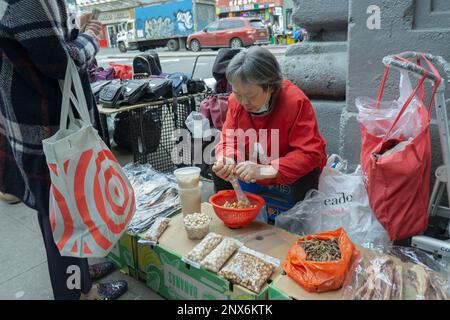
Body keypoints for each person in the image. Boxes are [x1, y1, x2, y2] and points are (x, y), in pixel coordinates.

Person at [0, 0, 127, 300]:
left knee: (68, 208)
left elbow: (40, 47)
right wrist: (90, 38)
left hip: (40, 127)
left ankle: (79, 275)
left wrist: (72, 29)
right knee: (62, 217)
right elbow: (59, 63)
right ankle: (80, 292)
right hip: (46, 131)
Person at [212, 47, 327, 214]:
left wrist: (264, 170)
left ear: (270, 87)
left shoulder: (295, 102)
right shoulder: (235, 102)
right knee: (218, 170)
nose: (243, 102)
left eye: (251, 96)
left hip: (283, 171)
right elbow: (229, 140)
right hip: (253, 163)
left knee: (307, 174)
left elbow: (309, 154)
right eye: (238, 94)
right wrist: (227, 158)